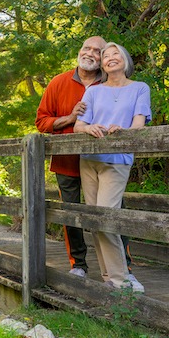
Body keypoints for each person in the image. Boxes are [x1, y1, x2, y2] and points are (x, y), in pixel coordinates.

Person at [74, 42, 151, 291]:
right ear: (103, 65)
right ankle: (109, 277)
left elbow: (139, 123)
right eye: (105, 56)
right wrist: (88, 128)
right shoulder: (94, 91)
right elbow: (78, 126)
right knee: (96, 221)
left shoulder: (140, 88)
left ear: (125, 59)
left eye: (115, 53)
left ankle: (122, 279)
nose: (110, 58)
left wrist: (124, 131)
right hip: (89, 160)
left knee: (107, 216)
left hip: (117, 160)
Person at [35, 36, 105, 277]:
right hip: (67, 163)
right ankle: (79, 265)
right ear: (80, 51)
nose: (91, 53)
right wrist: (71, 118)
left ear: (103, 58)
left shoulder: (110, 84)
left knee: (109, 213)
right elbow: (41, 122)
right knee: (71, 215)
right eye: (87, 48)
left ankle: (120, 267)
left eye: (97, 51)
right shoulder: (58, 82)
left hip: (103, 163)